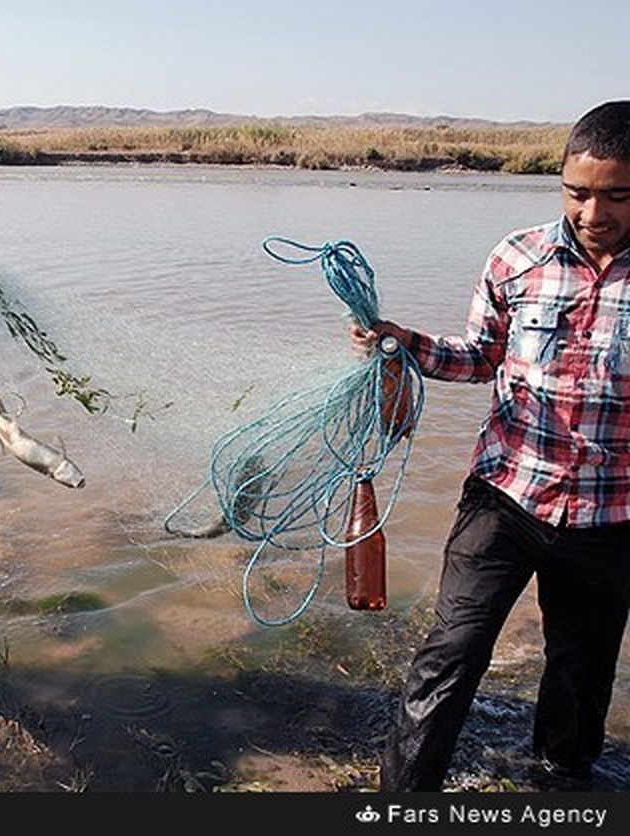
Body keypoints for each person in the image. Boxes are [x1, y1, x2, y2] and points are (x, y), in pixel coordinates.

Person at [354, 100, 630, 791]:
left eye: (617, 196)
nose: (593, 213)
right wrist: (403, 343)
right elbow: (480, 356)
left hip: (611, 518)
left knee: (581, 674)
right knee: (451, 654)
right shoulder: (518, 257)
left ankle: (559, 787)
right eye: (577, 193)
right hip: (505, 496)